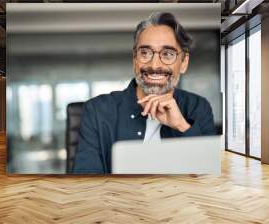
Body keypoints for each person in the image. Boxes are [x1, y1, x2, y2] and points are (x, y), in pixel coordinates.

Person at [72, 12, 216, 174]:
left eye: (167, 54)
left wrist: (182, 126)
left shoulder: (199, 108)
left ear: (183, 63)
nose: (154, 65)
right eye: (145, 53)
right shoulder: (97, 110)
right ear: (135, 60)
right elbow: (85, 184)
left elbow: (210, 181)